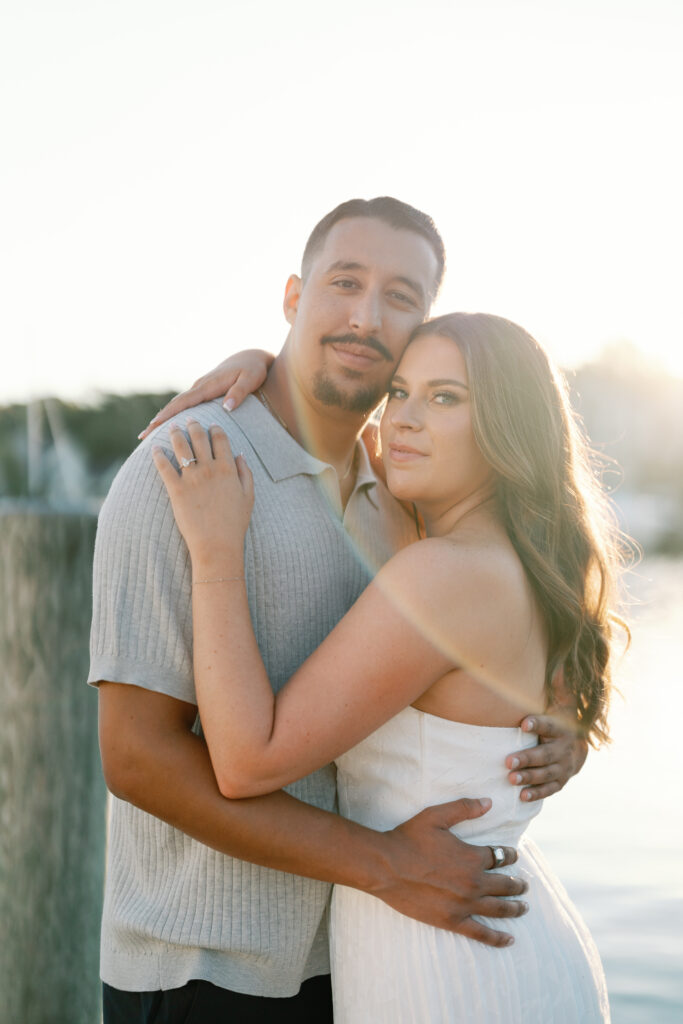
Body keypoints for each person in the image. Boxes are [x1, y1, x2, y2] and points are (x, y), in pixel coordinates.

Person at [91, 198, 587, 1023]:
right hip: (211, 973)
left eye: (400, 296)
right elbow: (137, 759)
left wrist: (549, 727)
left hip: (369, 956)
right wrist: (381, 865)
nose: (365, 315)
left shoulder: (402, 497)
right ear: (293, 296)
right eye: (344, 282)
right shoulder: (185, 469)